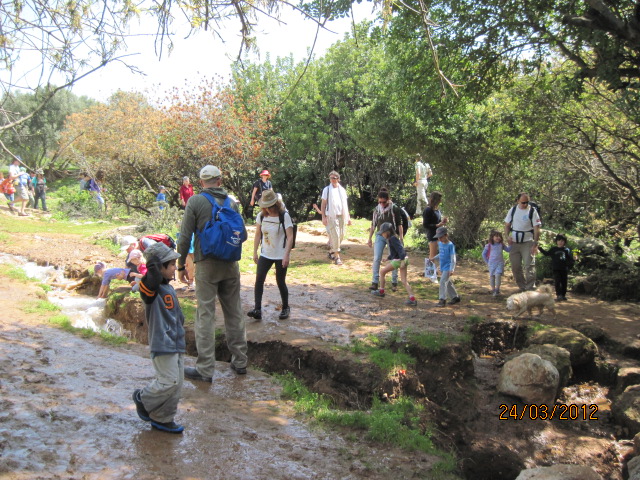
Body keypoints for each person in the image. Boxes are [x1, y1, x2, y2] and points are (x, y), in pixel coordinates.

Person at [176, 165, 248, 380]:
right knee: (234, 312)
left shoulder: (196, 201)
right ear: (220, 180)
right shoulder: (232, 202)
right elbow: (241, 234)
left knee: (205, 314)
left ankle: (205, 369)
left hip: (206, 264)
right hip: (230, 264)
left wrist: (181, 265)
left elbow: (184, 237)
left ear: (201, 183)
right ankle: (240, 362)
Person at [132, 242, 186, 434]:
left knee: (177, 383)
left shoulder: (169, 288)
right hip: (162, 343)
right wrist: (153, 265)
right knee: (168, 381)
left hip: (176, 343)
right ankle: (143, 398)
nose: (175, 268)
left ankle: (162, 418)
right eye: (171, 265)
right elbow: (149, 285)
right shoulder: (150, 289)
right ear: (159, 267)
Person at [247, 189, 294, 321]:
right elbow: (257, 234)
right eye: (265, 206)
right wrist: (255, 251)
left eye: (269, 206)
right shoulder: (261, 216)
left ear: (275, 204)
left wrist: (286, 255)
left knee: (280, 281)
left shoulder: (284, 216)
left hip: (280, 254)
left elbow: (290, 237)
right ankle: (257, 309)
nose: (267, 209)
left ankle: (285, 307)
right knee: (259, 280)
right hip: (265, 253)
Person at [370, 223, 417, 306]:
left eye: (383, 232)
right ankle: (412, 298)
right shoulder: (393, 238)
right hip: (404, 259)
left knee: (382, 272)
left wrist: (402, 261)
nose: (382, 234)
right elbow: (394, 252)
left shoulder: (392, 239)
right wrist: (388, 258)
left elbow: (401, 250)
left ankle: (381, 291)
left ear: (388, 232)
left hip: (399, 260)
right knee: (404, 281)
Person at [367, 188, 404, 291]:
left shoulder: (394, 208)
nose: (382, 204)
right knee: (377, 258)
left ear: (388, 200)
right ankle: (375, 282)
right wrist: (369, 238)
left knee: (394, 258)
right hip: (380, 235)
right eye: (380, 202)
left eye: (384, 202)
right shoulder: (376, 210)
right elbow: (373, 224)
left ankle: (394, 282)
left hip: (392, 235)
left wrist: (400, 238)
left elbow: (399, 224)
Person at [504, 192, 541, 291]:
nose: (525, 204)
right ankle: (522, 287)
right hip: (514, 242)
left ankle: (530, 288)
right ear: (517, 201)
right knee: (515, 267)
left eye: (527, 202)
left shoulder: (532, 211)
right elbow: (507, 225)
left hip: (528, 242)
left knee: (529, 266)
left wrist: (535, 243)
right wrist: (507, 236)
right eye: (523, 202)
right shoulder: (513, 210)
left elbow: (537, 228)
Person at [320, 171, 351, 265]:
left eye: (334, 178)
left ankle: (331, 252)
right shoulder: (327, 189)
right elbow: (323, 204)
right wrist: (323, 217)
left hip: (341, 215)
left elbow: (345, 204)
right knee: (336, 236)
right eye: (331, 178)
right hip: (331, 216)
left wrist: (348, 217)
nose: (332, 180)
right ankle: (337, 257)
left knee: (341, 235)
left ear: (338, 179)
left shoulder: (342, 190)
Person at [539, 234, 574, 301]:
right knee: (557, 281)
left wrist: (574, 260)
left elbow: (570, 259)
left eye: (562, 241)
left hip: (564, 268)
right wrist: (540, 248)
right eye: (559, 240)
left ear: (565, 242)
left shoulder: (566, 250)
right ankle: (558, 295)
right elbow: (547, 253)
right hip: (556, 268)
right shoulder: (553, 249)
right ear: (556, 241)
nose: (560, 242)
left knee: (564, 282)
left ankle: (563, 295)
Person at [433, 227, 460, 307]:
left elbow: (453, 258)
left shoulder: (450, 245)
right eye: (438, 237)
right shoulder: (440, 243)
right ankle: (455, 297)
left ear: (446, 235)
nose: (439, 238)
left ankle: (442, 299)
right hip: (442, 266)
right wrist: (434, 258)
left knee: (442, 282)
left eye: (441, 237)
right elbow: (441, 254)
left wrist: (452, 269)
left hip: (448, 267)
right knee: (447, 282)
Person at [482, 230, 511, 296]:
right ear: (492, 237)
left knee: (498, 275)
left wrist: (511, 244)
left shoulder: (501, 245)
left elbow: (508, 250)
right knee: (492, 276)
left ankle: (497, 289)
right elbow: (483, 254)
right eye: (496, 236)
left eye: (499, 236)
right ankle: (493, 289)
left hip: (499, 263)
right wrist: (487, 262)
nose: (498, 238)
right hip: (491, 264)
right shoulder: (488, 245)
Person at [423, 191, 448, 262]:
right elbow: (425, 225)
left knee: (443, 254)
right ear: (435, 199)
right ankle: (429, 272)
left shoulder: (437, 210)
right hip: (433, 235)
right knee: (432, 256)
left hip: (440, 234)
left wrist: (442, 222)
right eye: (439, 199)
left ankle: (435, 271)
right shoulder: (428, 210)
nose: (440, 201)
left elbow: (438, 222)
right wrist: (437, 225)